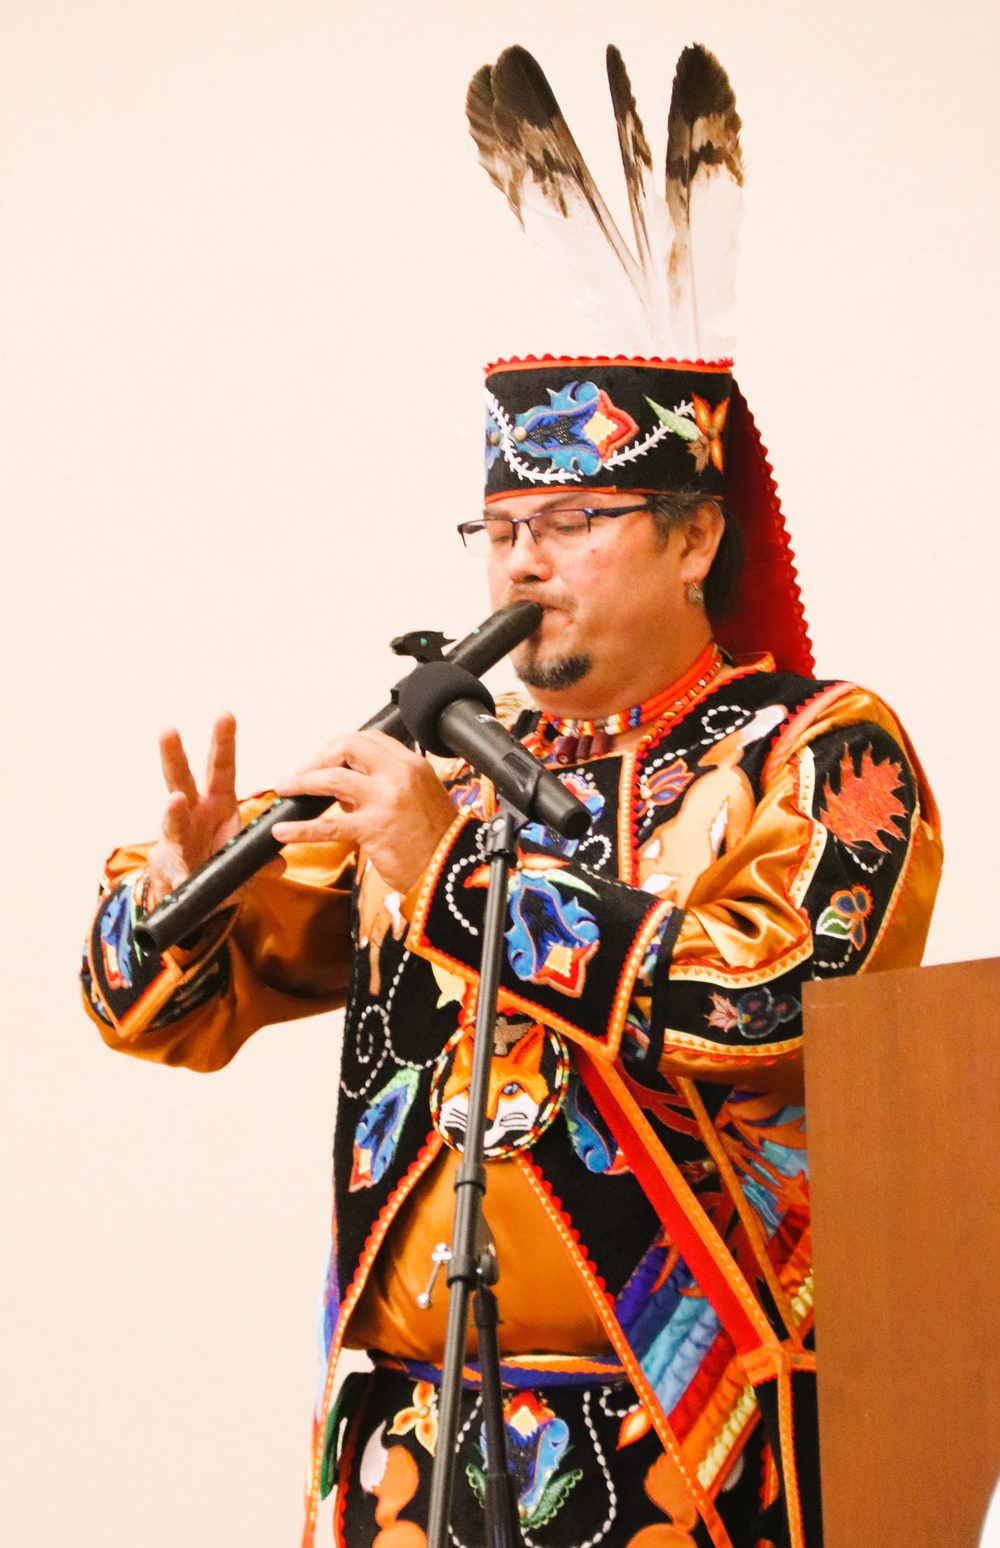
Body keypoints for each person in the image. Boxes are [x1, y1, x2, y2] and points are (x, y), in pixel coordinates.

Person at [81, 42, 942, 1548]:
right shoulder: (453, 770)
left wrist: (457, 871)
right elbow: (160, 1013)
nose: (521, 563)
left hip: (690, 1439)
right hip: (407, 1445)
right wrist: (183, 893)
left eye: (572, 521)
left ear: (692, 538)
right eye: (497, 528)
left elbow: (771, 1000)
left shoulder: (818, 748)